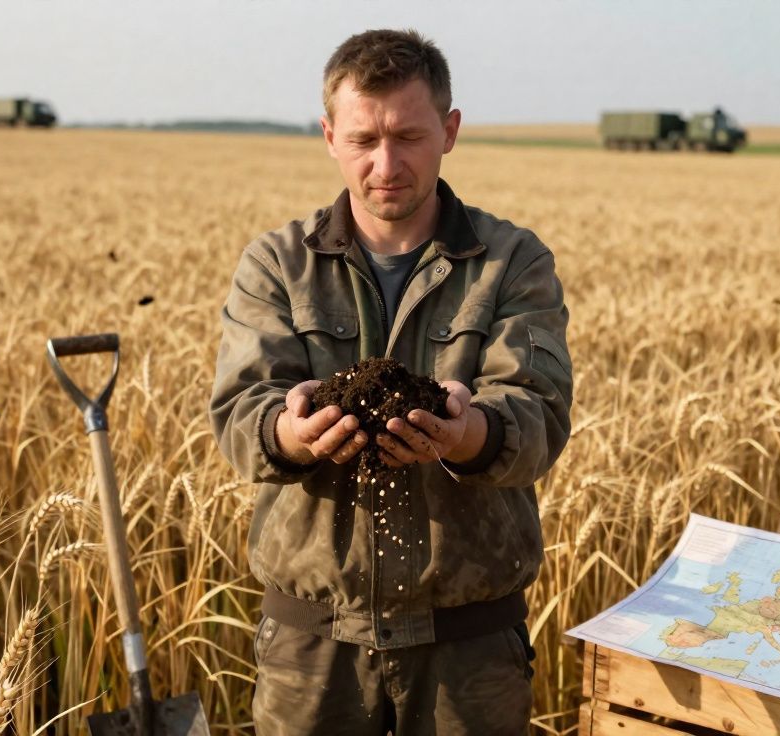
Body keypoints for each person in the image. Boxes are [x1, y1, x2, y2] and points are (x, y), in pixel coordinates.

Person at [209, 28, 573, 735]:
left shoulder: (510, 263)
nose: (386, 163)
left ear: (450, 130)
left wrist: (469, 433)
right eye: (363, 139)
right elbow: (238, 417)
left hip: (469, 652)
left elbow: (539, 419)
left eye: (408, 136)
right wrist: (292, 431)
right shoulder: (279, 264)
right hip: (312, 648)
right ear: (329, 136)